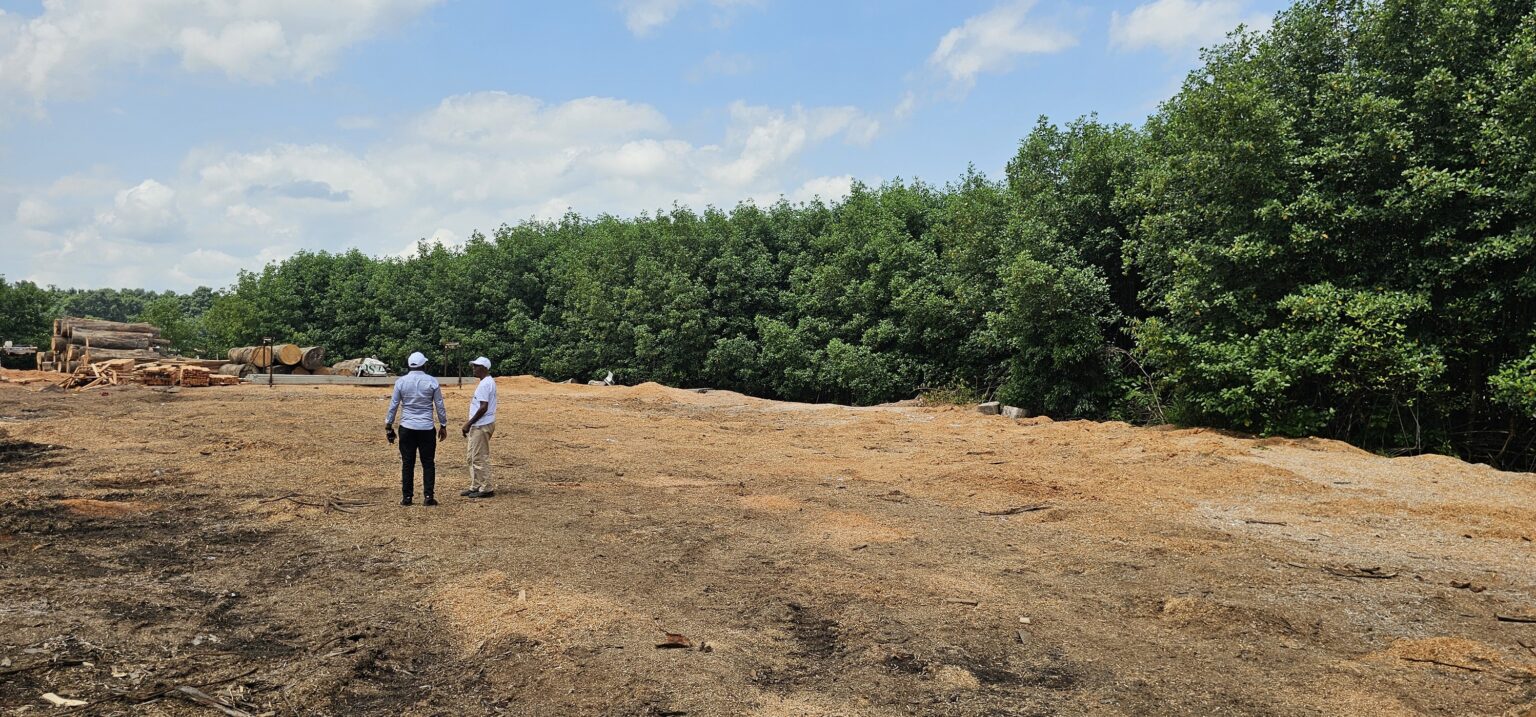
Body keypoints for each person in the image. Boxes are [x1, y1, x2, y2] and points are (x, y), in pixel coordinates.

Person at [385, 351, 448, 506]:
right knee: (428, 462)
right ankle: (428, 496)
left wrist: (389, 425)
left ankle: (407, 497)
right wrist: (443, 424)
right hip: (426, 427)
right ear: (423, 365)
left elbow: (394, 405)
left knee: (407, 463)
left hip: (407, 427)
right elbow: (439, 405)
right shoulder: (432, 381)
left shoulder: (401, 382)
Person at [460, 356, 497, 499]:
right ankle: (476, 485)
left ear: (484, 368)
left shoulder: (484, 384)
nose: (474, 368)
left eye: (476, 366)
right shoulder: (487, 382)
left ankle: (486, 488)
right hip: (481, 424)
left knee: (479, 457)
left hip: (481, 425)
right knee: (472, 457)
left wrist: (468, 423)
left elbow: (483, 407)